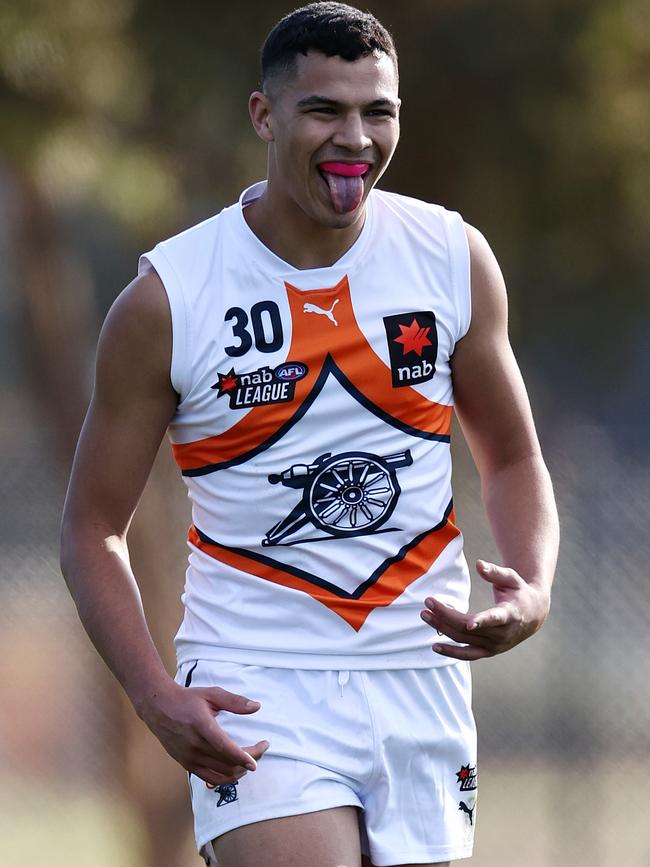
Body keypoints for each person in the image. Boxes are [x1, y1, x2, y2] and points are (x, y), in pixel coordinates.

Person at [60, 3, 559, 866]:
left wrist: (534, 588)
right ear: (265, 114)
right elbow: (89, 527)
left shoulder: (450, 255)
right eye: (325, 110)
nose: (356, 138)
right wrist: (151, 694)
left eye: (379, 112)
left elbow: (512, 455)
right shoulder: (169, 298)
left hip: (420, 673)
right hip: (257, 682)